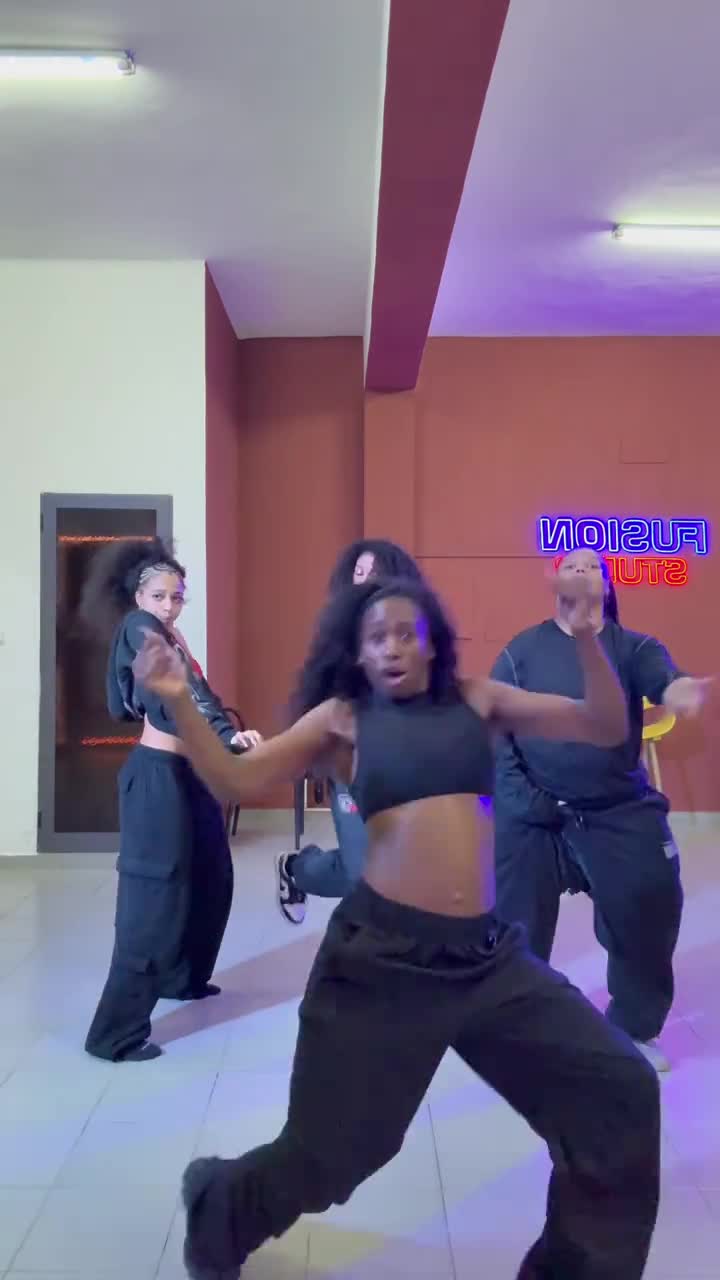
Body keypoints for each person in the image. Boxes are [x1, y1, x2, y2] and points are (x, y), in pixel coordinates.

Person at [134, 571, 660, 1280]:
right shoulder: (343, 718)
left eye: (406, 633)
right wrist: (177, 700)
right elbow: (238, 778)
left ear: (432, 643)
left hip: (486, 958)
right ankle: (221, 1204)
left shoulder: (477, 700)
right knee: (332, 1157)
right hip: (382, 962)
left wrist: (589, 636)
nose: (391, 647)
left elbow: (604, 724)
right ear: (356, 651)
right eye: (375, 636)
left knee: (618, 1090)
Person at [492, 546, 711, 1073]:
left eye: (593, 566)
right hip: (538, 811)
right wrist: (527, 801)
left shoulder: (633, 647)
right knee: (514, 925)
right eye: (571, 565)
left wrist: (679, 690)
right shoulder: (520, 652)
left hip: (618, 809)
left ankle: (633, 1027)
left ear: (607, 587)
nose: (582, 571)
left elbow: (665, 677)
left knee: (651, 900)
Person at [81, 538, 260, 1062]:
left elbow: (178, 700)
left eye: (177, 596)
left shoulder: (168, 636)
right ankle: (112, 1036)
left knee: (211, 878)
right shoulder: (140, 628)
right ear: (139, 596)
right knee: (152, 906)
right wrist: (226, 737)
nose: (169, 605)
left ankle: (183, 977)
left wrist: (223, 736)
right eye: (159, 596)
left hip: (189, 775)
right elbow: (175, 701)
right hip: (158, 780)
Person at [276, 538, 424, 923]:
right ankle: (296, 869)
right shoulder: (339, 633)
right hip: (352, 762)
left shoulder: (416, 629)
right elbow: (319, 695)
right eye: (358, 572)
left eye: (374, 572)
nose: (364, 579)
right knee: (359, 871)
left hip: (403, 760)